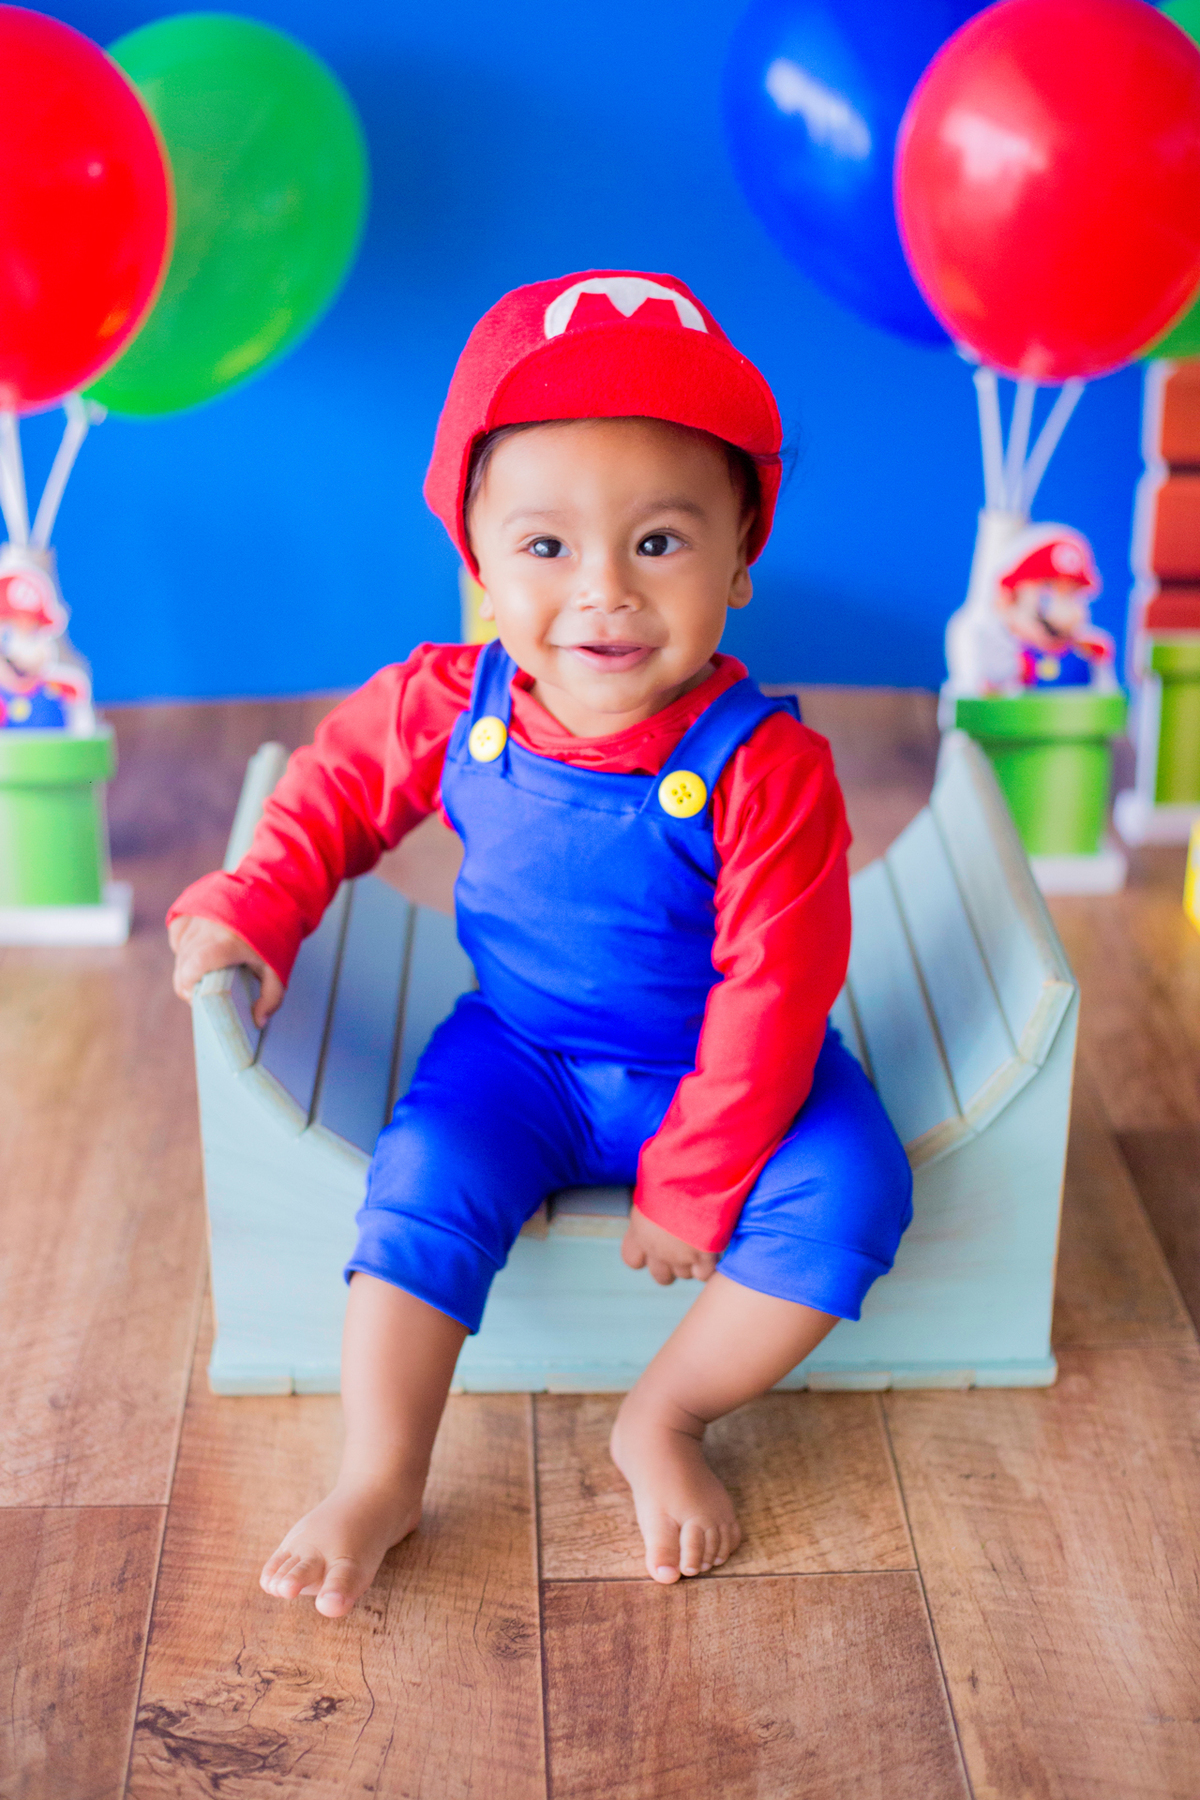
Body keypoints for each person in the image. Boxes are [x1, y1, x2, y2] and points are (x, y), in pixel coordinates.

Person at [168, 270, 913, 1617]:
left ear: (744, 557)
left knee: (856, 1190)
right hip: (522, 1053)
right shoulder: (455, 703)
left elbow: (778, 982)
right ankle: (381, 1471)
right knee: (421, 1178)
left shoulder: (768, 768)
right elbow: (330, 796)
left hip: (732, 1070)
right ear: (476, 563)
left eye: (661, 543)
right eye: (548, 547)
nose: (606, 595)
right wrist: (256, 906)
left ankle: (667, 1414)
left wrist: (703, 1168)